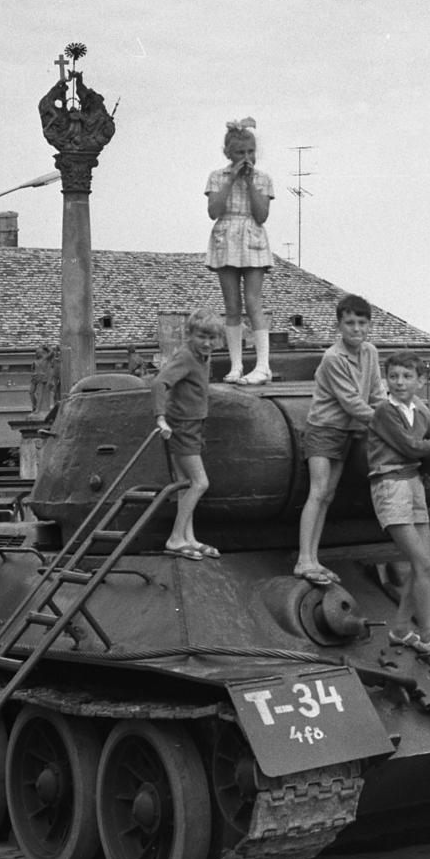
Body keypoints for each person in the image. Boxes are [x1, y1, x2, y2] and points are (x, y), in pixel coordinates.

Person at [367, 352, 430, 656]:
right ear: (387, 380)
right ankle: (427, 635)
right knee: (423, 564)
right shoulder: (385, 411)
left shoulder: (419, 411)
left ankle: (400, 629)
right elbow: (412, 446)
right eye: (394, 376)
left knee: (421, 564)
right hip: (390, 485)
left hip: (413, 484)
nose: (399, 382)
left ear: (420, 381)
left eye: (407, 376)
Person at [294, 295, 384, 587]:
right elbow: (352, 404)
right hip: (323, 429)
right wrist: (389, 425)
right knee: (318, 492)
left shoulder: (370, 352)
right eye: (350, 323)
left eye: (361, 323)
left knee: (328, 495)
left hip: (346, 432)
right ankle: (303, 560)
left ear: (369, 325)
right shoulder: (333, 358)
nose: (356, 329)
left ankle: (313, 557)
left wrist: (394, 416)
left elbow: (375, 395)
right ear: (339, 325)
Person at [206, 117, 274, 386]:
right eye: (240, 153)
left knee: (253, 303)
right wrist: (232, 179)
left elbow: (261, 214)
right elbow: (214, 211)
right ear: (228, 153)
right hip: (226, 237)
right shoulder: (217, 177)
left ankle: (262, 365)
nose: (246, 158)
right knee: (232, 305)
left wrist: (248, 184)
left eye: (250, 152)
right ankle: (236, 366)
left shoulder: (263, 179)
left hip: (252, 237)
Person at [152, 310, 221, 560]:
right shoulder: (186, 356)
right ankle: (175, 538)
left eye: (212, 337)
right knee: (200, 482)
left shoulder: (203, 356)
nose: (207, 342)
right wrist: (160, 417)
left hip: (193, 425)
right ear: (190, 334)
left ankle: (188, 537)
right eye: (202, 336)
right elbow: (160, 383)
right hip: (182, 427)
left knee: (185, 485)